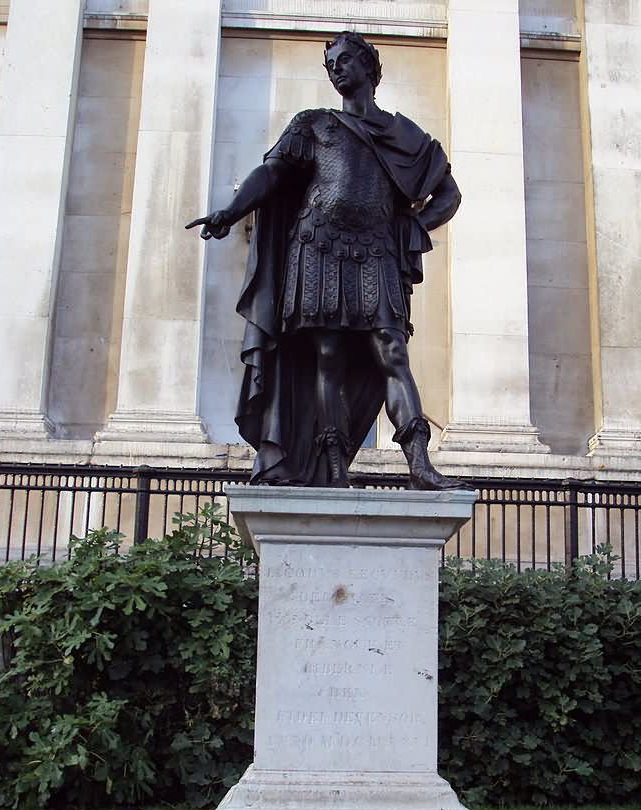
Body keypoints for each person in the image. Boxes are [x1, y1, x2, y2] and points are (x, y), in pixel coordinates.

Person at [187, 31, 463, 488]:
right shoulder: (312, 124)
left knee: (392, 352)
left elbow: (448, 194)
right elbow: (273, 172)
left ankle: (420, 465)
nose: (335, 68)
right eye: (330, 62)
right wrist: (231, 211)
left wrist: (413, 227)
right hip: (318, 247)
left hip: (375, 252)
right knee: (328, 358)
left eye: (344, 60)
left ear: (369, 69)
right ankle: (334, 470)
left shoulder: (405, 137)